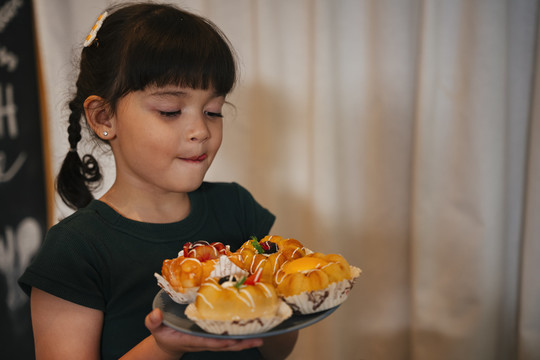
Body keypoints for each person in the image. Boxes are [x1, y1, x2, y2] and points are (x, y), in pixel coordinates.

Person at [18, 3, 298, 359]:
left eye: (213, 111)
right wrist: (165, 346)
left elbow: (275, 351)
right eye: (170, 111)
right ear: (104, 117)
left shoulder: (237, 210)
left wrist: (284, 307)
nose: (200, 130)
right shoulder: (75, 251)